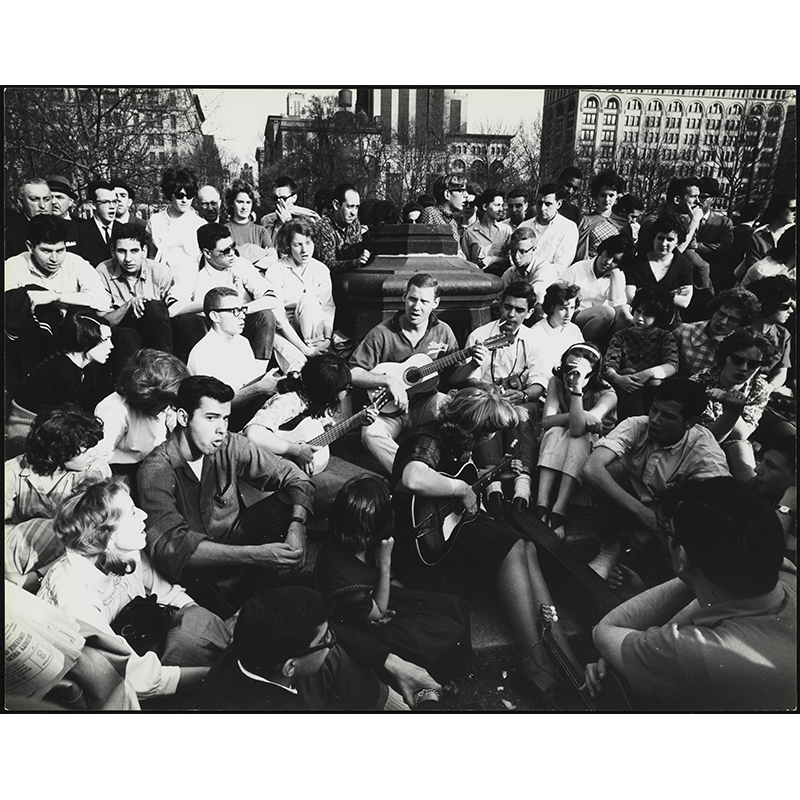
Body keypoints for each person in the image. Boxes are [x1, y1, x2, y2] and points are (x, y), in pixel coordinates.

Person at [391, 387, 582, 702]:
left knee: (525, 546)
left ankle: (561, 654)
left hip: (449, 527)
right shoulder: (429, 438)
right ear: (470, 424)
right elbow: (412, 477)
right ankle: (535, 664)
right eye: (488, 430)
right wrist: (460, 488)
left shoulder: (460, 438)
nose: (491, 437)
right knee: (509, 548)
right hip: (422, 546)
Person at [585, 477, 796, 710]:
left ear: (682, 555)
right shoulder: (784, 573)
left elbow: (605, 631)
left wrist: (628, 655)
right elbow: (700, 608)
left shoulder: (697, 655)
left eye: (668, 531)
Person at [137, 375, 314, 619]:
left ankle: (250, 599)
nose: (221, 429)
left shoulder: (229, 444)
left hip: (233, 541)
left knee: (285, 506)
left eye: (226, 418)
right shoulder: (155, 469)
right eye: (211, 418)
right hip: (195, 567)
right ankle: (231, 616)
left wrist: (298, 527)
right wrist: (257, 554)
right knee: (191, 577)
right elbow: (173, 547)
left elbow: (293, 476)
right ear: (183, 418)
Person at [38, 477, 229, 700]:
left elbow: (166, 593)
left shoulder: (124, 550)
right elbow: (134, 679)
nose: (144, 515)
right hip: (97, 684)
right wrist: (214, 674)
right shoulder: (73, 593)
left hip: (136, 641)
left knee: (201, 624)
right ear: (106, 538)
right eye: (132, 512)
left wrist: (204, 622)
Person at [314, 476, 471, 683]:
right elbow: (378, 612)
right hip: (363, 622)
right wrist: (385, 560)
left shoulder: (350, 536)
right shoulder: (345, 578)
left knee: (452, 605)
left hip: (375, 598)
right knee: (437, 638)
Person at [197, 585, 439, 710]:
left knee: (331, 657)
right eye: (324, 640)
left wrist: (395, 664)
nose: (331, 642)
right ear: (290, 668)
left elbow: (325, 633)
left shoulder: (251, 648)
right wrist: (429, 704)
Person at [582, 377, 730, 578]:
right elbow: (592, 468)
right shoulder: (637, 424)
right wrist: (641, 513)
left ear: (690, 423)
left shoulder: (704, 450)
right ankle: (609, 549)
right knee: (611, 469)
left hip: (668, 521)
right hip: (629, 505)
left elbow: (716, 504)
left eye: (668, 416)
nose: (655, 420)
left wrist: (657, 528)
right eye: (654, 409)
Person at [349, 273, 459, 475]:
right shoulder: (382, 333)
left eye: (424, 301)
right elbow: (353, 373)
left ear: (436, 303)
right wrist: (388, 380)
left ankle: (450, 470)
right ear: (404, 297)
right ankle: (411, 474)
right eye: (412, 299)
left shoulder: (443, 332)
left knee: (455, 409)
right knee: (370, 434)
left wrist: (474, 364)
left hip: (424, 403)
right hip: (388, 410)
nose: (416, 307)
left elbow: (455, 376)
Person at [450, 281, 541, 512]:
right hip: (486, 395)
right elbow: (463, 379)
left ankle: (523, 486)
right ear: (500, 306)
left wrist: (522, 393)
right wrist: (484, 383)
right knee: (484, 409)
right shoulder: (480, 335)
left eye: (519, 310)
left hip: (516, 399)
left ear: (529, 312)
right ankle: (493, 486)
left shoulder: (533, 340)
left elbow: (539, 382)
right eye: (507, 307)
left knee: (524, 411)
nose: (511, 314)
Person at [244, 355, 377, 507]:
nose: (348, 392)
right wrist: (297, 450)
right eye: (345, 389)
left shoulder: (314, 402)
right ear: (327, 390)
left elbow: (319, 434)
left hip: (295, 473)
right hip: (264, 481)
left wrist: (358, 421)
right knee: (356, 494)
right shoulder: (289, 402)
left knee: (367, 484)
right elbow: (253, 434)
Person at [5, 406, 110, 591]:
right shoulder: (13, 472)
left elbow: (95, 535)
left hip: (71, 558)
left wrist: (37, 576)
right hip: (22, 554)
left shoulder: (94, 472)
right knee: (43, 528)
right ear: (57, 453)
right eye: (84, 450)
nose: (93, 454)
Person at [5, 215, 110, 378]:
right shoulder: (14, 265)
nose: (55, 259)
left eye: (60, 250)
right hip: (32, 341)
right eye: (46, 251)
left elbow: (102, 301)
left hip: (71, 338)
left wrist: (55, 297)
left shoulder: (76, 262)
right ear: (30, 247)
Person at [536, 343, 617, 540]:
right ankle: (541, 503)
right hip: (559, 438)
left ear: (592, 375)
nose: (570, 377)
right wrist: (582, 415)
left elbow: (577, 429)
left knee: (578, 436)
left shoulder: (608, 394)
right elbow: (547, 421)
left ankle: (559, 509)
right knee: (555, 432)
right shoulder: (555, 382)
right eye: (567, 370)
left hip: (593, 444)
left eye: (578, 373)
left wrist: (577, 392)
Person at [168, 222, 278, 364]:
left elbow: (271, 298)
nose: (232, 253)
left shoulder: (241, 264)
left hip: (238, 320)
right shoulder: (191, 269)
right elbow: (173, 308)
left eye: (233, 247)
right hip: (209, 326)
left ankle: (258, 372)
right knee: (187, 320)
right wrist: (212, 306)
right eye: (225, 251)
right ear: (207, 253)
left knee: (266, 316)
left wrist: (239, 309)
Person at [8, 311, 114, 441]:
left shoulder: (85, 368)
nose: (111, 346)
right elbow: (78, 417)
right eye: (105, 340)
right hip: (27, 431)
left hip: (49, 423)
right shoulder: (64, 373)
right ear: (86, 341)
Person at [187, 287, 280, 430]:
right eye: (235, 311)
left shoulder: (242, 342)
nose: (242, 316)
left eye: (243, 310)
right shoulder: (202, 353)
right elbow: (217, 407)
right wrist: (258, 388)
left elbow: (250, 382)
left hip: (245, 410)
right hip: (220, 423)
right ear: (215, 316)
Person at [690, 329, 775, 481]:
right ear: (724, 358)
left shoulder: (759, 387)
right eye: (737, 360)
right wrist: (732, 406)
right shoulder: (699, 383)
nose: (744, 368)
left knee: (740, 446)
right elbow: (710, 438)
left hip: (736, 446)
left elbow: (742, 434)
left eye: (754, 364)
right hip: (698, 447)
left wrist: (731, 404)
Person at [93, 349, 188, 471]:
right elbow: (98, 459)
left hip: (156, 463)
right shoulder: (115, 409)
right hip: (123, 471)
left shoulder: (165, 405)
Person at [96, 222, 175, 367]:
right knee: (128, 335)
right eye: (121, 251)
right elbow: (103, 321)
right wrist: (129, 305)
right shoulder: (103, 272)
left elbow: (173, 313)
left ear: (144, 251)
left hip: (156, 331)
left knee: (152, 306)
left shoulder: (160, 272)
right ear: (113, 251)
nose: (128, 259)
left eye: (134, 251)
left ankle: (163, 370)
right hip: (123, 332)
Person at [263, 216, 336, 370]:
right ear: (288, 246)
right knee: (298, 365)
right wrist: (305, 350)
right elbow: (279, 320)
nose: (304, 250)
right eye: (297, 245)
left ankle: (319, 356)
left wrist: (327, 339)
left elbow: (327, 308)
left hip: (314, 330)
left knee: (310, 302)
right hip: (286, 330)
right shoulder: (276, 271)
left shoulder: (320, 269)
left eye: (308, 243)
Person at [604, 287, 679, 419]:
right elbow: (609, 364)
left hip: (651, 388)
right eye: (638, 312)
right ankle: (634, 422)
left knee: (655, 382)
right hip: (625, 385)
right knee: (627, 371)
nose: (639, 318)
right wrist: (618, 378)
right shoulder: (621, 336)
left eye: (647, 315)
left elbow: (672, 364)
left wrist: (647, 374)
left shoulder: (664, 336)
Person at [624, 212, 694, 328]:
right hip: (638, 321)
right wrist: (669, 296)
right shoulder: (636, 262)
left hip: (668, 322)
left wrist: (643, 292)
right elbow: (631, 297)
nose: (664, 243)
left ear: (677, 243)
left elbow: (684, 302)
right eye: (660, 238)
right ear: (654, 238)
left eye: (670, 239)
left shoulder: (684, 265)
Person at [672, 286, 761, 377]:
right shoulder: (684, 331)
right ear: (713, 311)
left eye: (733, 320)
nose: (723, 322)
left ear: (741, 324)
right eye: (721, 314)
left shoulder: (740, 346)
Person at [561, 234, 634, 341]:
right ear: (602, 250)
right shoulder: (579, 267)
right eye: (608, 255)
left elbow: (617, 305)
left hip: (602, 324)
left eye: (615, 261)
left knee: (625, 311)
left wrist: (614, 277)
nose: (608, 262)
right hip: (575, 315)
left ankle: (608, 345)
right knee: (606, 312)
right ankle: (582, 344)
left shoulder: (618, 276)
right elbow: (558, 291)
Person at [526, 282, 585, 400]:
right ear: (552, 308)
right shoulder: (536, 333)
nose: (569, 314)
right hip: (546, 392)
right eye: (563, 309)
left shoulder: (573, 330)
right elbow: (536, 375)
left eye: (572, 308)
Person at [146, 166, 205, 278]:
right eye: (180, 195)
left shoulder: (200, 225)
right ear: (170, 194)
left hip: (188, 281)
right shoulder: (155, 220)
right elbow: (150, 255)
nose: (185, 200)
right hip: (159, 279)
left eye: (189, 195)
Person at [752, 433, 796, 562]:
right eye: (762, 461)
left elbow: (768, 554)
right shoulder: (762, 488)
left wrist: (787, 506)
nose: (757, 469)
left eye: (771, 466)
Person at [747, 276, 795, 394]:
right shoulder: (740, 330)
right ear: (771, 304)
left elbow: (781, 372)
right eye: (786, 307)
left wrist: (769, 388)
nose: (791, 311)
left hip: (764, 391)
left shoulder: (783, 335)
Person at [519, 183, 579, 276]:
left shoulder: (568, 228)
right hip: (520, 277)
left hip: (548, 281)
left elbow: (561, 266)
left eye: (548, 204)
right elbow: (514, 255)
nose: (542, 208)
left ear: (558, 204)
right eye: (539, 203)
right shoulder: (524, 225)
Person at [636, 177, 702, 257]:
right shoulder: (653, 222)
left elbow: (692, 248)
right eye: (693, 197)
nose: (698, 201)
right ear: (677, 200)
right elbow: (671, 255)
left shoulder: (683, 220)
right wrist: (694, 222)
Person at [314, 182, 371, 275]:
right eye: (350, 207)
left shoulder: (354, 223)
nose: (354, 213)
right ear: (336, 205)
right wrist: (354, 262)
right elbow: (327, 266)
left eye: (357, 207)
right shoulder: (323, 227)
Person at [687, 177, 733, 292]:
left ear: (713, 199)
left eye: (703, 197)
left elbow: (724, 247)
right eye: (696, 196)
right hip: (685, 274)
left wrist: (696, 246)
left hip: (710, 276)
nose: (698, 201)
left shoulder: (723, 222)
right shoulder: (685, 218)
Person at [573, 170, 631, 262]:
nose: (607, 199)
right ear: (596, 197)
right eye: (603, 195)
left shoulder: (623, 224)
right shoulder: (585, 221)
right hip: (589, 267)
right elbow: (578, 250)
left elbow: (627, 253)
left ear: (617, 198)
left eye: (611, 195)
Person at [499, 226, 556, 310]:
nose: (516, 257)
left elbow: (531, 298)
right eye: (513, 251)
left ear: (534, 249)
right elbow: (500, 298)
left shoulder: (544, 270)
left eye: (522, 252)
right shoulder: (510, 272)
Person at [460, 188, 511, 275]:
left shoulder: (506, 230)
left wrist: (493, 259)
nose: (501, 209)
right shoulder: (469, 233)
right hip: (478, 280)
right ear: (485, 207)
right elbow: (464, 262)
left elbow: (512, 260)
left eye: (502, 205)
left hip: (502, 280)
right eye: (497, 205)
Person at [418, 173, 468, 257]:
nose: (466, 195)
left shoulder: (453, 222)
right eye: (460, 191)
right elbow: (426, 252)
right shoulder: (430, 213)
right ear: (447, 194)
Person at [743, 194, 796, 270]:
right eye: (793, 209)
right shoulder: (757, 238)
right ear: (780, 210)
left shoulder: (794, 234)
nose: (796, 213)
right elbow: (753, 271)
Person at [77, 179, 123, 267]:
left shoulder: (122, 229)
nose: (112, 206)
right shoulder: (82, 231)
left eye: (114, 201)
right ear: (93, 205)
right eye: (105, 202)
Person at [259, 176, 319, 241]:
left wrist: (288, 222)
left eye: (284, 198)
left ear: (294, 198)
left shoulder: (308, 219)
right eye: (275, 198)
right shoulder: (266, 220)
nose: (279, 201)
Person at [4, 177, 52, 257]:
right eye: (34, 199)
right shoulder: (7, 230)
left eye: (46, 199)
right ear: (20, 202)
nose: (42, 206)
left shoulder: (68, 226)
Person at [224, 179, 274, 252]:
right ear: (231, 203)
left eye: (248, 202)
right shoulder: (223, 230)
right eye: (240, 202)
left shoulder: (261, 231)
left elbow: (272, 258)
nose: (244, 207)